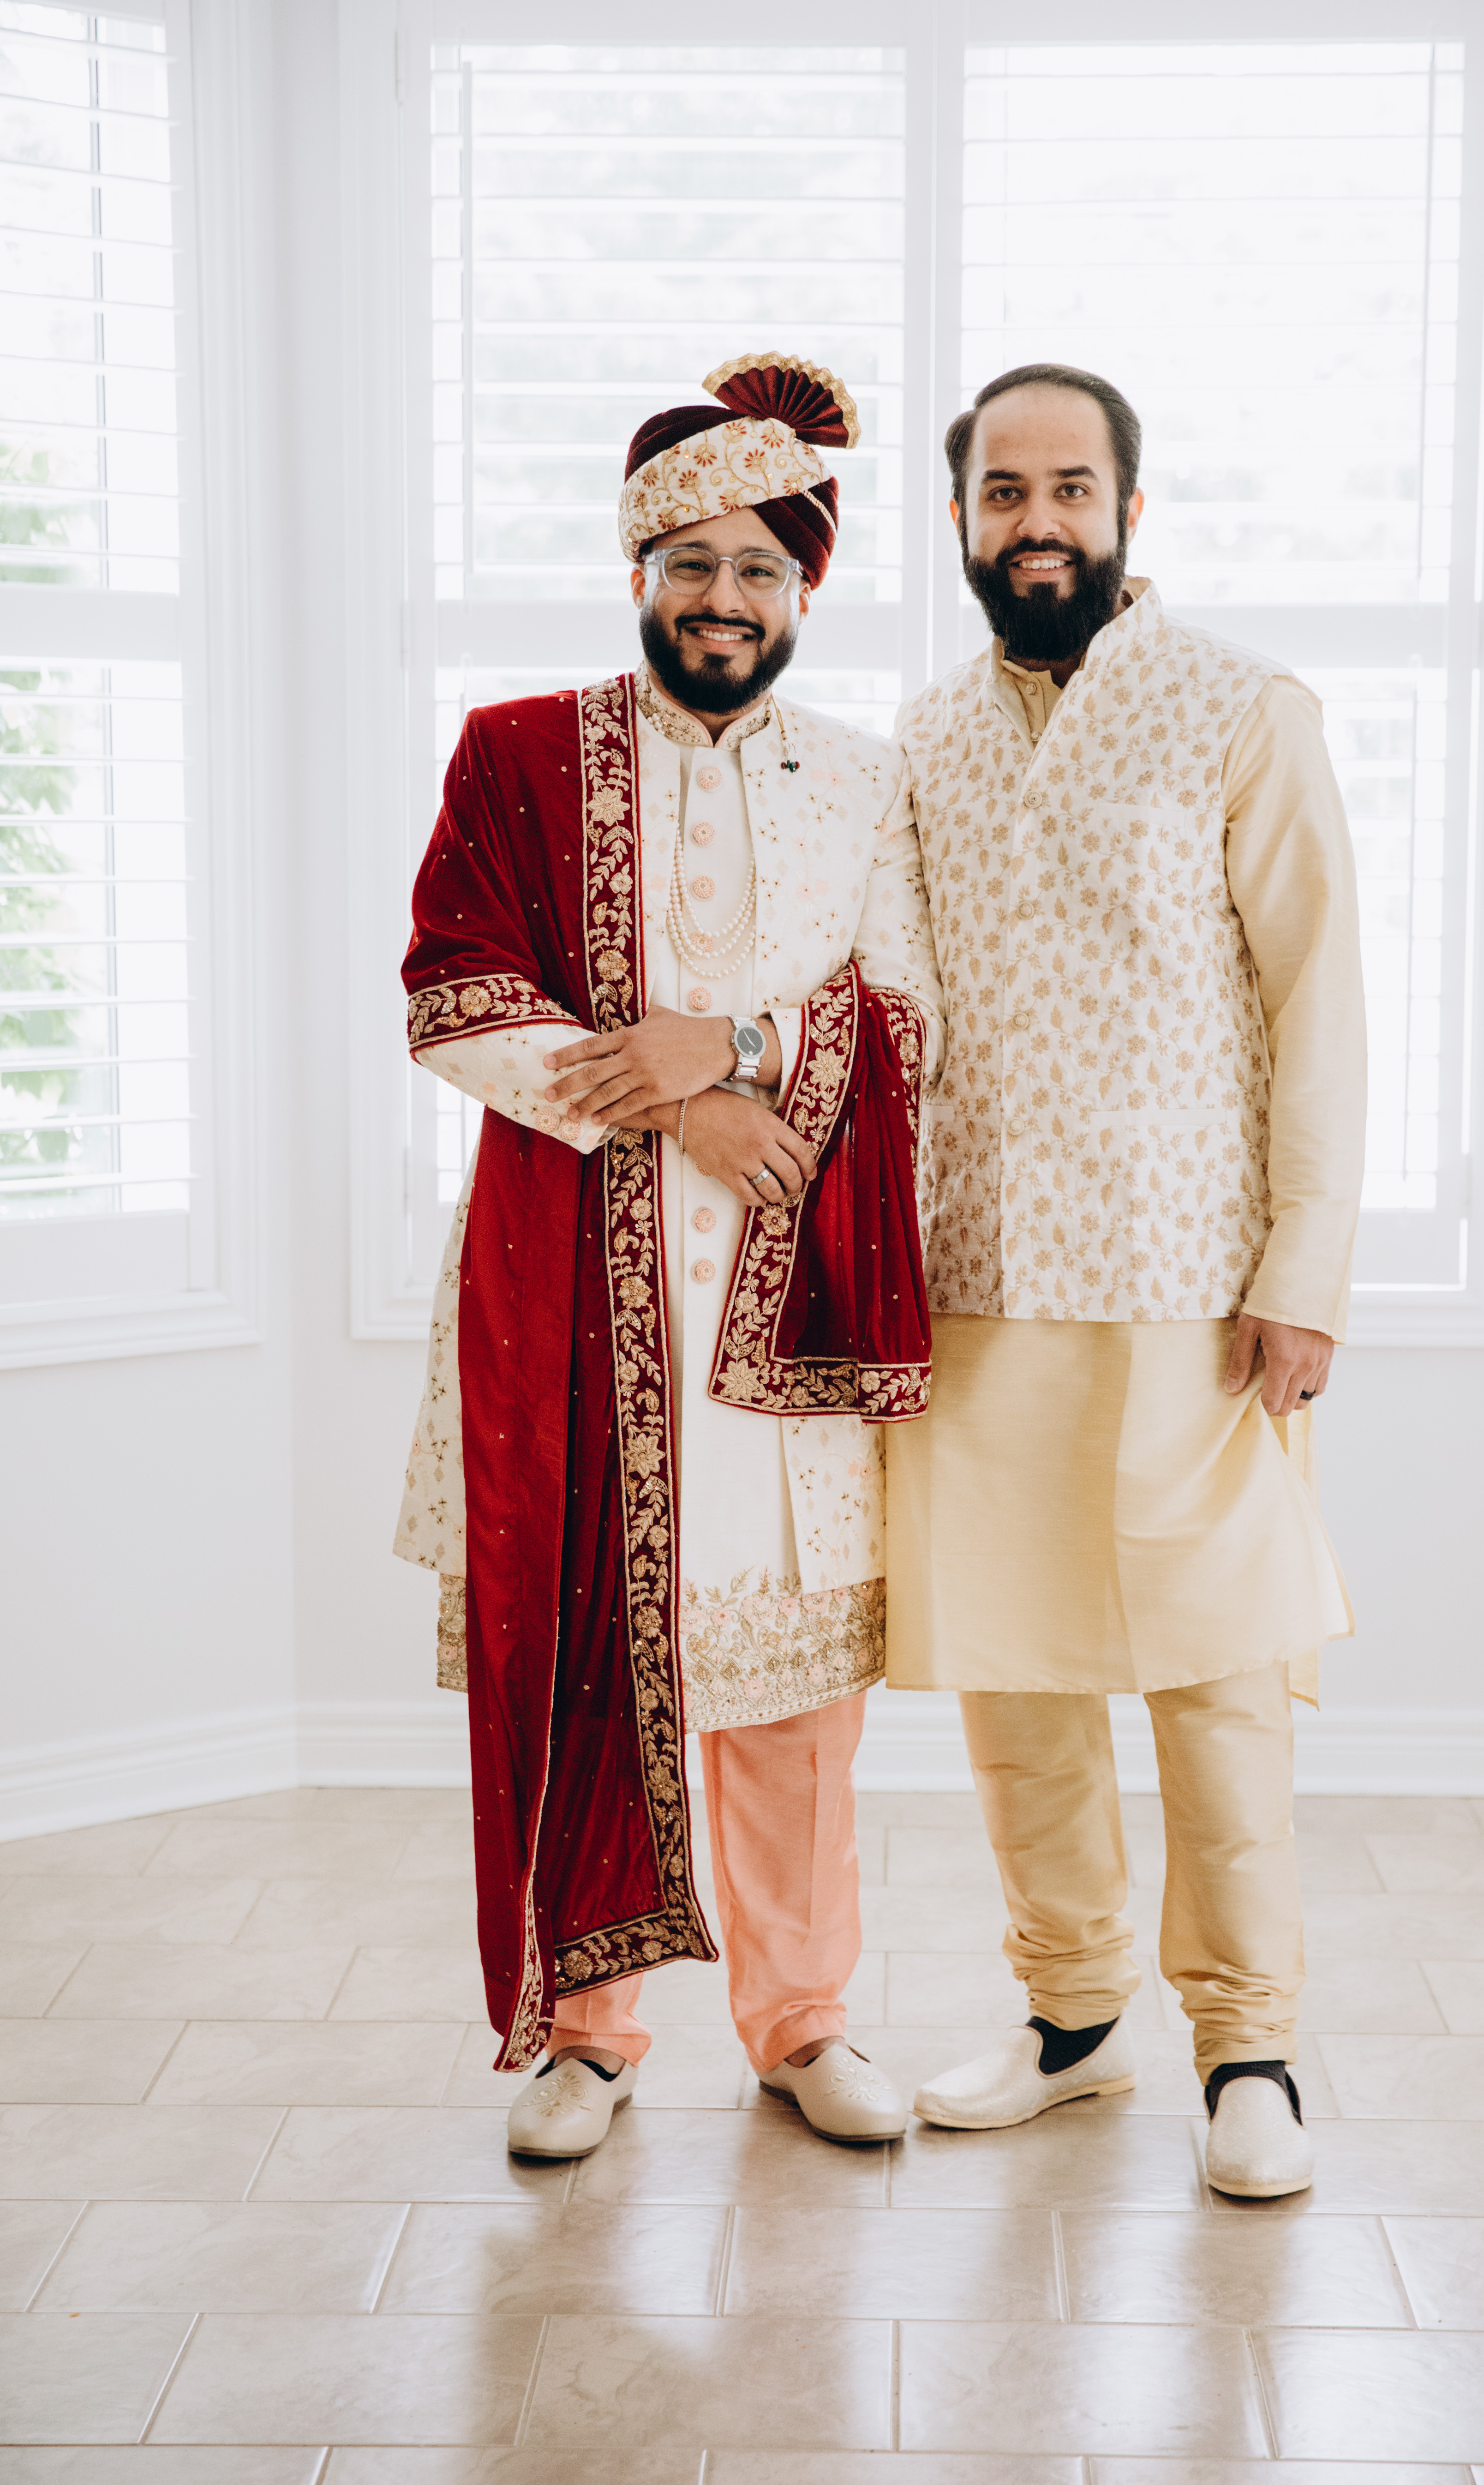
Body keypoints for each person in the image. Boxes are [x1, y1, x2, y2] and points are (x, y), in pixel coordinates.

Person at [395, 353, 943, 2160]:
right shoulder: (518, 755)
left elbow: (909, 1016)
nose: (725, 597)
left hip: (790, 1299)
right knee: (589, 1661)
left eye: (760, 569)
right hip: (572, 1284)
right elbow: (454, 994)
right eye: (692, 563)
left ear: (805, 592)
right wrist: (668, 1106)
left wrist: (744, 1051)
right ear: (638, 572)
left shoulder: (864, 782)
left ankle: (805, 2021)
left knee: (793, 1698)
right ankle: (588, 2030)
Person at [885, 362, 1366, 2198]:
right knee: (1016, 1679)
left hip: (1193, 1289)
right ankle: (1073, 2021)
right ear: (960, 521)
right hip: (977, 1276)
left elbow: (1321, 1001)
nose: (1038, 521)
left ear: (1129, 511)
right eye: (1004, 491)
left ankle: (1251, 2046)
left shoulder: (1243, 709)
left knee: (1214, 1673)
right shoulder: (926, 738)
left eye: (1070, 488)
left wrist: (1304, 1266)